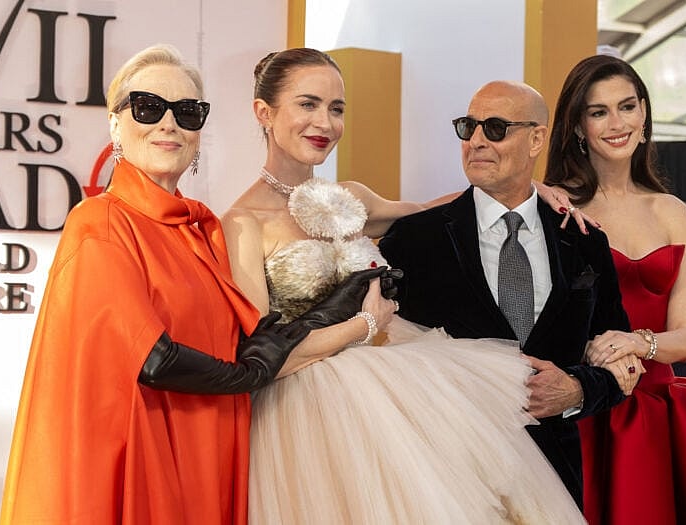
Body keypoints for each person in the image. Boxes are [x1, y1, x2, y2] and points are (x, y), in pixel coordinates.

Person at [0, 44, 380, 524]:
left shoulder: (200, 231)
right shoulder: (101, 222)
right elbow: (155, 360)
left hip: (205, 452)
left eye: (187, 111)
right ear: (115, 124)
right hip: (142, 460)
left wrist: (342, 307)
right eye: (148, 107)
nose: (168, 124)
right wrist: (255, 374)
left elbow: (252, 337)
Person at [222, 48, 589, 523]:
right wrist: (363, 324)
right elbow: (260, 354)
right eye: (308, 104)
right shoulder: (242, 223)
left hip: (395, 382)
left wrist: (531, 187)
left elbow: (438, 210)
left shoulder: (350, 197)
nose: (325, 123)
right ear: (264, 112)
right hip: (307, 410)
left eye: (337, 108)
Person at [378, 79, 637, 508]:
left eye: (495, 128)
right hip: (444, 477)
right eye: (468, 127)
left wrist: (575, 390)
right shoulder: (413, 241)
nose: (476, 141)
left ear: (536, 139)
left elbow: (619, 358)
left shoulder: (585, 242)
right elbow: (381, 355)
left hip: (554, 475)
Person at [544, 53, 686, 525]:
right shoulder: (556, 206)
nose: (616, 123)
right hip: (588, 407)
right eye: (598, 111)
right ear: (578, 126)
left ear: (645, 113)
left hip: (665, 409)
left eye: (627, 106)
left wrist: (637, 341)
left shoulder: (672, 211)